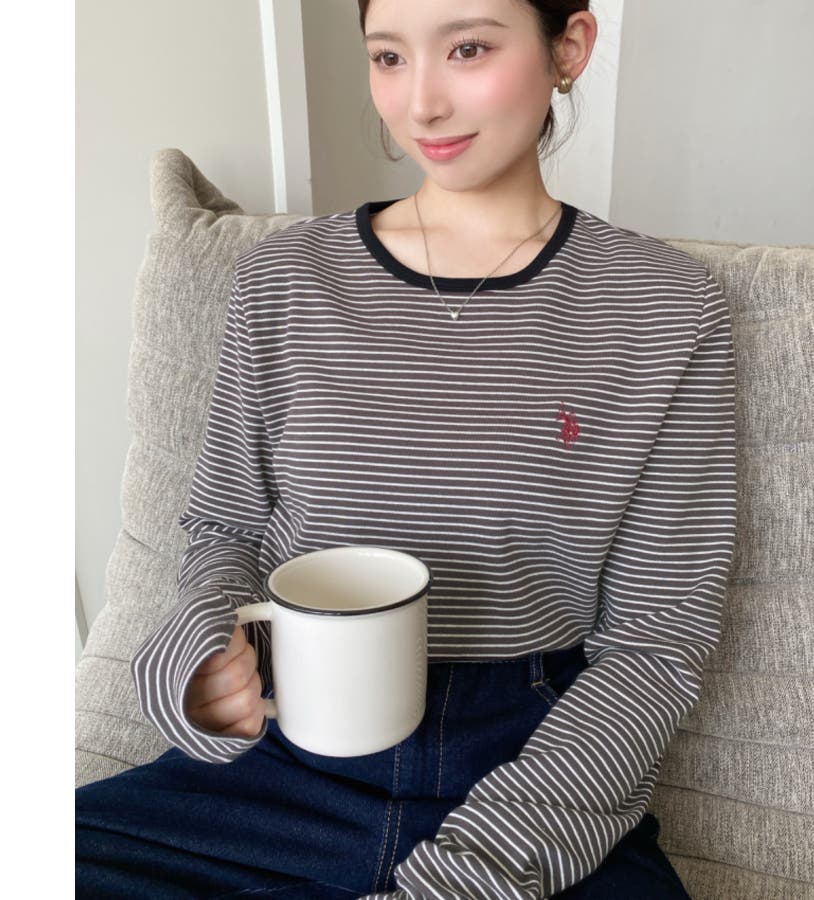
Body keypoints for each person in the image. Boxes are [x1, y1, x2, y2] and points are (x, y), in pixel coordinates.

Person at [75, 0, 738, 897]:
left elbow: (659, 638)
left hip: (532, 769)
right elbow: (224, 526)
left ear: (570, 47)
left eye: (468, 48)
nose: (420, 103)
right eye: (388, 57)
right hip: (282, 762)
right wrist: (198, 660)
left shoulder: (666, 306)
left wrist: (475, 873)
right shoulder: (283, 279)